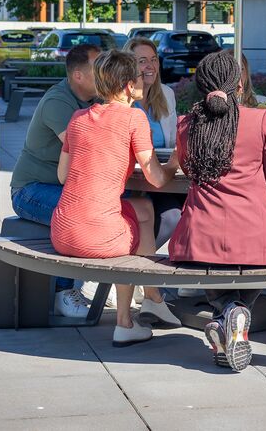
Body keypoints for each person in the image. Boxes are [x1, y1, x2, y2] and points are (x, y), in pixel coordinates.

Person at [166, 50, 266, 372]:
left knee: (215, 267)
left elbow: (188, 169)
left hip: (200, 240)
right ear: (239, 85)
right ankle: (233, 313)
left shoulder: (186, 125)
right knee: (255, 261)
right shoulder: (262, 119)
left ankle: (226, 313)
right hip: (257, 240)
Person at [52, 49, 182, 347]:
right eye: (138, 76)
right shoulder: (134, 118)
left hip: (62, 230)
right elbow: (157, 179)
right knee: (135, 234)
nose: (142, 80)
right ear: (127, 86)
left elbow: (63, 176)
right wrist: (175, 162)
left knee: (143, 208)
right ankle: (125, 321)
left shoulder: (78, 117)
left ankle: (151, 299)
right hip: (98, 237)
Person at [9, 43, 100, 319]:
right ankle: (63, 293)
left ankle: (109, 279)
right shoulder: (57, 103)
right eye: (99, 69)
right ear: (78, 76)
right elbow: (85, 152)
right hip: (31, 190)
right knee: (76, 217)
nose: (106, 74)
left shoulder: (95, 100)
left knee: (137, 208)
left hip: (69, 189)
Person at [125, 37, 183, 246]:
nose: (150, 66)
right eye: (142, 61)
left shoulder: (166, 94)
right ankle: (130, 265)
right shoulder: (122, 100)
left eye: (154, 59)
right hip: (135, 179)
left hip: (162, 173)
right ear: (128, 65)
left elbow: (173, 137)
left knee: (196, 206)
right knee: (171, 216)